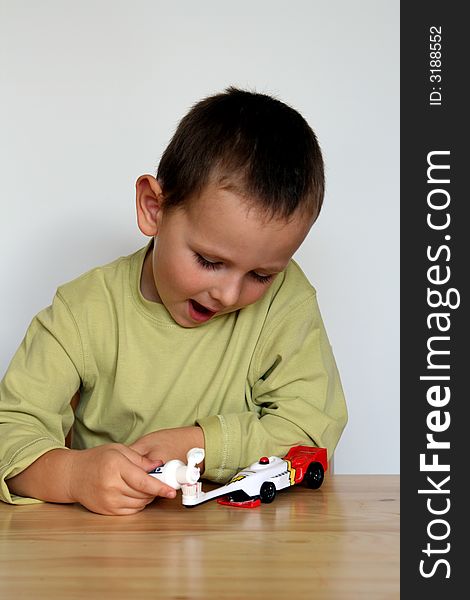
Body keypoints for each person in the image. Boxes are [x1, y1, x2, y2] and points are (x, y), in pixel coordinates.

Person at [0, 87, 347, 515]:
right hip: (110, 552)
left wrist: (199, 443)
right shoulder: (82, 311)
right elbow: (10, 433)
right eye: (209, 260)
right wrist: (75, 476)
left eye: (261, 275)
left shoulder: (285, 301)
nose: (229, 294)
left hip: (244, 557)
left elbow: (313, 431)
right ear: (154, 208)